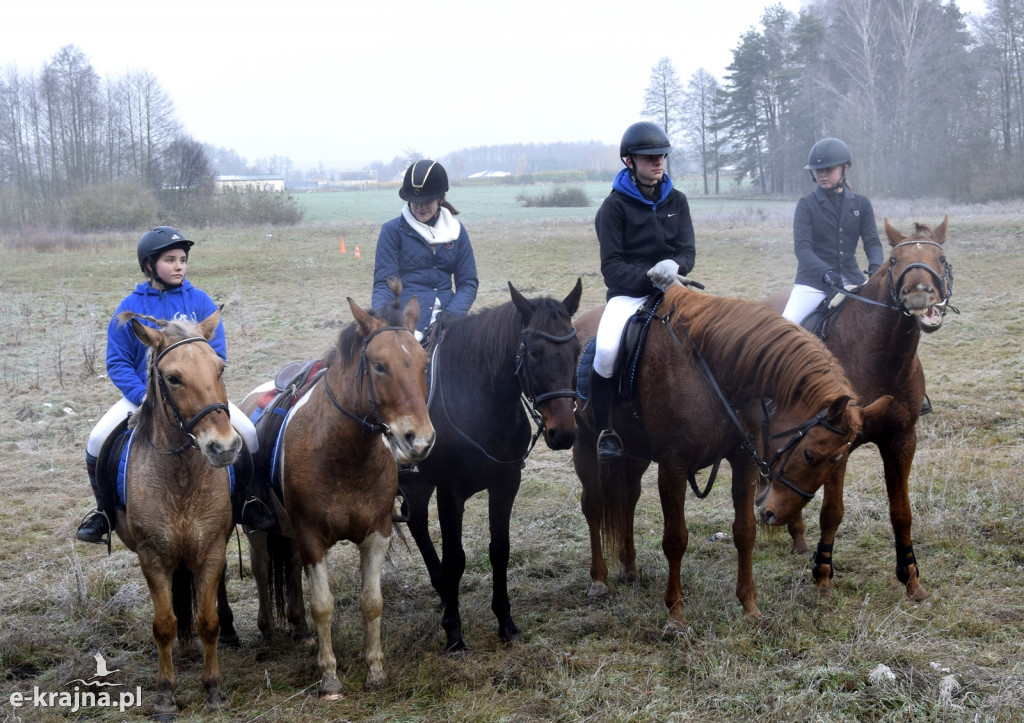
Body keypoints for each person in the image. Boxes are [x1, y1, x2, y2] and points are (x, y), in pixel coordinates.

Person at [75, 226, 273, 544]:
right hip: (144, 396)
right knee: (98, 439)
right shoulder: (130, 306)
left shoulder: (200, 302)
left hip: (196, 396)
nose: (179, 265)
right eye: (170, 259)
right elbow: (117, 362)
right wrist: (143, 396)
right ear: (150, 265)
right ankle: (105, 512)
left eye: (182, 259)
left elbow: (215, 355)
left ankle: (247, 503)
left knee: (248, 433)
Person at [591, 121, 696, 461]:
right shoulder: (613, 208)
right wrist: (650, 277)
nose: (658, 163)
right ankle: (606, 428)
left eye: (662, 156)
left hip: (676, 289)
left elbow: (687, 252)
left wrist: (674, 267)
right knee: (606, 350)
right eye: (649, 157)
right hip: (629, 294)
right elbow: (612, 267)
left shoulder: (677, 200)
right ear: (629, 161)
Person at [372, 160, 478, 340]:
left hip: (449, 319)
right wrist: (382, 320)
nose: (420, 207)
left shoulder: (456, 232)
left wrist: (452, 314)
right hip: (406, 321)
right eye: (414, 201)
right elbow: (384, 284)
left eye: (426, 201)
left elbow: (468, 283)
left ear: (440, 198)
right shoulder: (391, 231)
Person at [781, 137, 883, 325]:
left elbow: (872, 242)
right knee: (786, 329)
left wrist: (876, 268)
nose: (822, 174)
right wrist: (825, 272)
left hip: (853, 279)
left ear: (845, 169)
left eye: (829, 169)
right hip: (813, 284)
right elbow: (803, 248)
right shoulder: (806, 205)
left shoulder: (862, 203)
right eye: (818, 170)